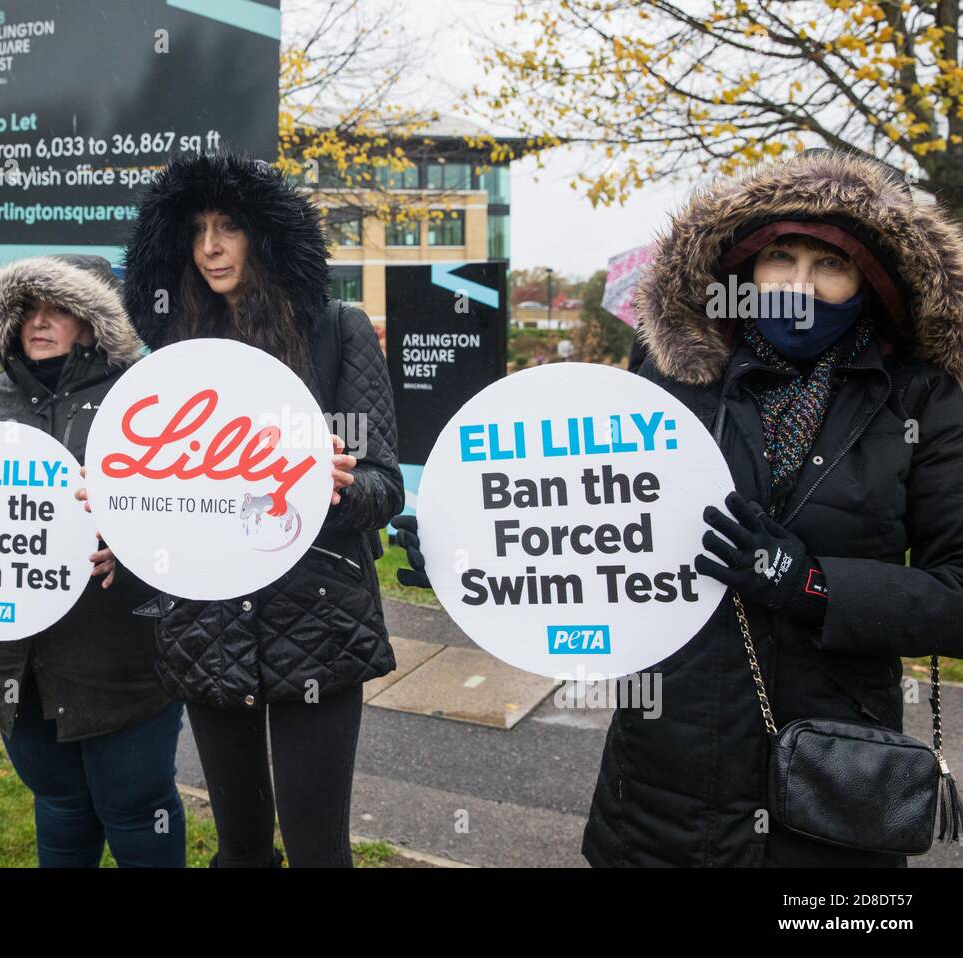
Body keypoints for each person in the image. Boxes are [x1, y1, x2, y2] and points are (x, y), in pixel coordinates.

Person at [395, 149, 963, 866]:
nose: (799, 285)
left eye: (829, 265)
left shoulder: (923, 402)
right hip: (662, 788)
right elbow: (584, 518)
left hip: (833, 790)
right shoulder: (673, 379)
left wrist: (814, 585)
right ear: (743, 269)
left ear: (870, 281)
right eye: (781, 257)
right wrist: (471, 554)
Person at [114, 150, 404, 867]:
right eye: (199, 230)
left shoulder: (338, 330)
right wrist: (121, 501)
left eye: (230, 227)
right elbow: (161, 492)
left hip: (318, 624)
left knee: (317, 850)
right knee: (240, 848)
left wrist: (332, 486)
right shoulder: (175, 355)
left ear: (265, 235)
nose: (211, 248)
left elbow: (385, 486)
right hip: (208, 624)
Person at [0, 254, 186, 867]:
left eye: (61, 307)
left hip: (120, 660)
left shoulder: (140, 398)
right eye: (27, 307)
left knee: (136, 808)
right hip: (15, 669)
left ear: (94, 320)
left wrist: (132, 549)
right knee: (59, 807)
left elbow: (187, 517)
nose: (40, 320)